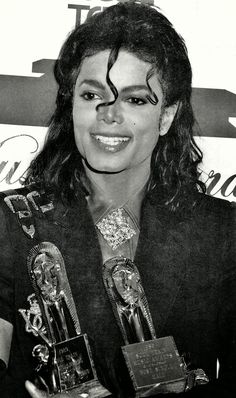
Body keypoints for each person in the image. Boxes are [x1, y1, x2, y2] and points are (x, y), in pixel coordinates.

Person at [0, 1, 235, 397]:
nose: (109, 115)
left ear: (167, 116)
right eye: (92, 95)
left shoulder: (222, 231)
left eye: (135, 99)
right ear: (71, 105)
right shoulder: (10, 223)